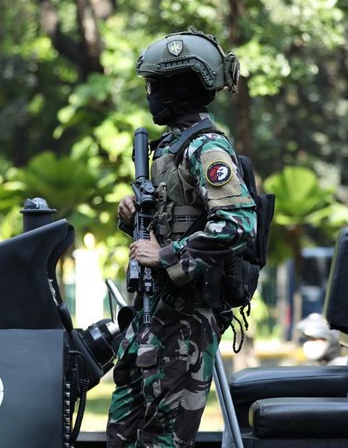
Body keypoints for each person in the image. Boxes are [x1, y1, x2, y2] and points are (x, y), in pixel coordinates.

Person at [106, 28, 257, 448]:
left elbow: (239, 223)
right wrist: (135, 218)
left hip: (184, 327)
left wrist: (168, 254)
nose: (150, 94)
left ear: (179, 88)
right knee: (123, 437)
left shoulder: (205, 148)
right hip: (152, 320)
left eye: (154, 85)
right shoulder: (170, 151)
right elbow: (178, 220)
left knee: (163, 441)